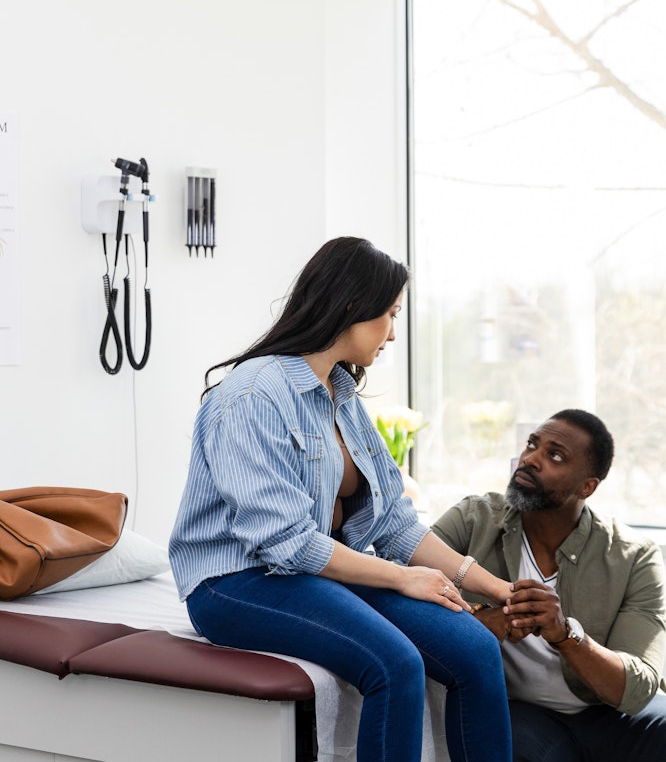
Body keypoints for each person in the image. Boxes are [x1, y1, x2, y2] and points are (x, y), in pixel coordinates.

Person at [168, 237, 514, 762]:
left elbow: (394, 522)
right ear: (352, 307)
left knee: (476, 650)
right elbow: (285, 545)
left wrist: (495, 587)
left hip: (317, 571)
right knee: (395, 665)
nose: (393, 334)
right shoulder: (251, 396)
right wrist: (401, 577)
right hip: (234, 580)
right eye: (389, 316)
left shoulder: (343, 396)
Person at [431, 408, 666, 762]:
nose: (530, 460)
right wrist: (483, 623)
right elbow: (402, 590)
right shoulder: (473, 519)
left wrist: (564, 634)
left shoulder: (633, 556)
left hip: (608, 712)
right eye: (532, 445)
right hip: (516, 706)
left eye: (554, 455)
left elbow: (637, 687)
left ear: (586, 486)